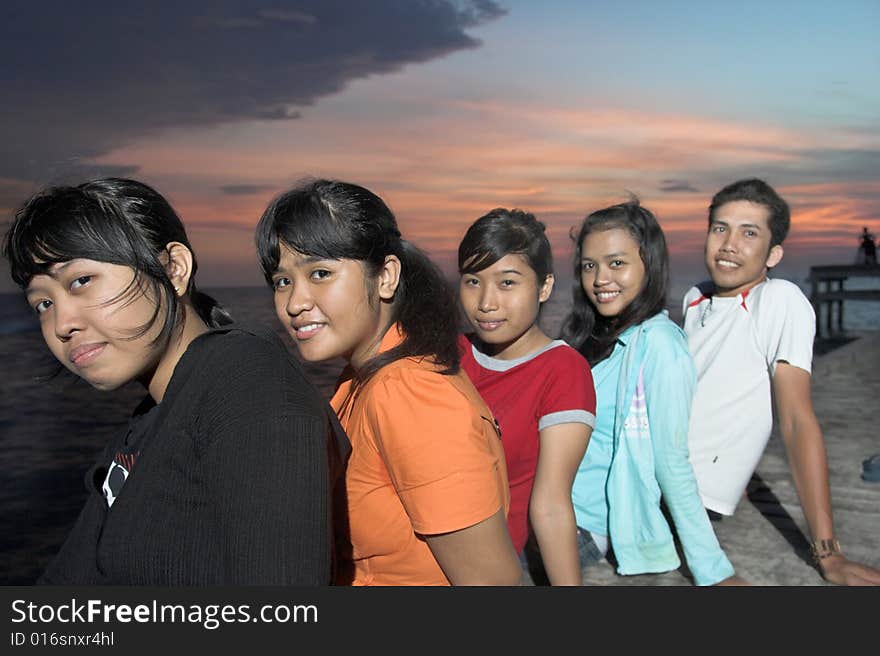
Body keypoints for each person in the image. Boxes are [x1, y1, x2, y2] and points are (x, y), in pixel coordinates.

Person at [2, 178, 348, 585]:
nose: (62, 325)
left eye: (81, 281)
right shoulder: (147, 426)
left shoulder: (247, 386)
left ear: (173, 269)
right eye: (43, 303)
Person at [255, 179, 521, 586]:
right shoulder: (364, 378)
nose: (294, 302)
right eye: (282, 281)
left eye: (321, 273)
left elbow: (494, 583)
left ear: (385, 276)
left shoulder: (408, 392)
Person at [683, 178, 880, 586]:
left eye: (748, 232)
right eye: (720, 228)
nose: (729, 243)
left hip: (681, 496)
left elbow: (796, 422)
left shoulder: (779, 300)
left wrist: (828, 554)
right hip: (650, 471)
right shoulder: (693, 300)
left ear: (773, 254)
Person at [561, 199, 742, 586]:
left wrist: (713, 571)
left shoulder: (660, 346)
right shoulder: (589, 339)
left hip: (580, 526)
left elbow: (671, 461)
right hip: (541, 505)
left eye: (617, 263)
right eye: (589, 266)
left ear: (650, 265)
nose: (600, 279)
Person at [457, 209, 595, 585]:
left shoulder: (562, 370)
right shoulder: (450, 354)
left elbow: (550, 504)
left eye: (507, 283)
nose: (486, 302)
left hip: (492, 561)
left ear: (545, 286)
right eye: (473, 280)